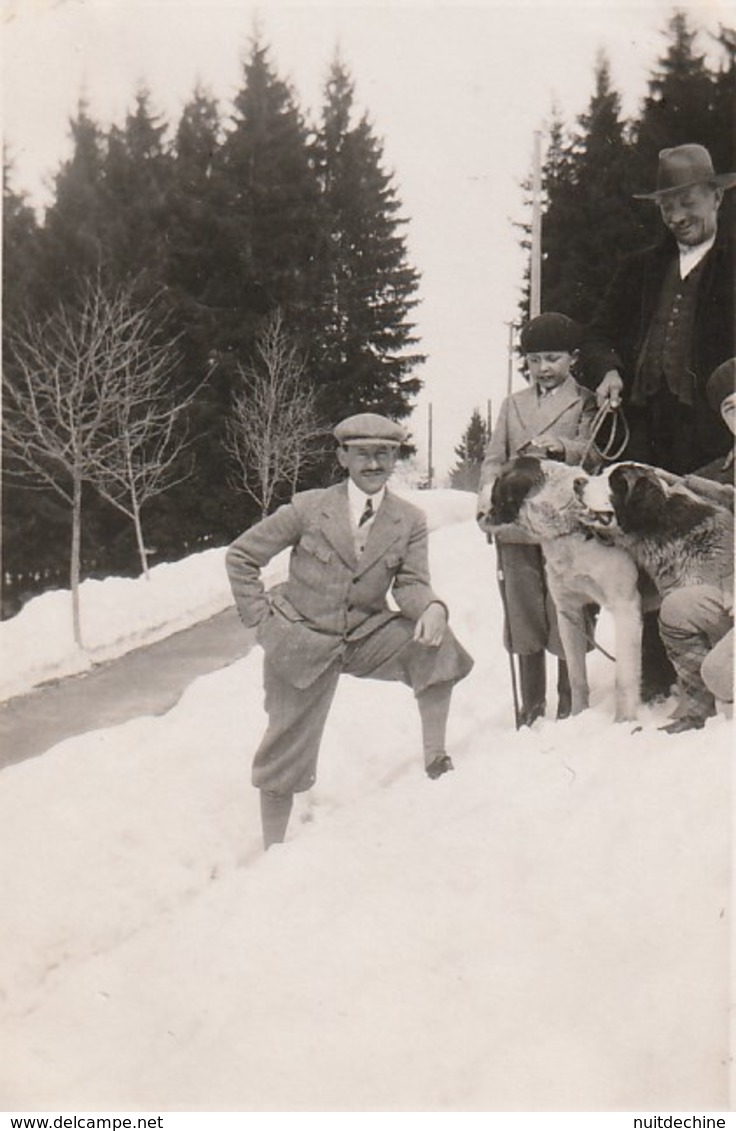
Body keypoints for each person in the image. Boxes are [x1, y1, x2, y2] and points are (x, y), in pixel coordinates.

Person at [226, 412, 474, 848]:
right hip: (301, 638)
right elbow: (242, 556)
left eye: (383, 454)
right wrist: (262, 621)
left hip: (364, 634)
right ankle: (273, 851)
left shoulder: (409, 519)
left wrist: (432, 607)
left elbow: (411, 583)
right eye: (362, 454)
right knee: (285, 745)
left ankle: (436, 759)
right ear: (343, 457)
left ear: (395, 458)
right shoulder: (308, 507)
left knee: (438, 645)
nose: (373, 464)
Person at [579, 143, 736, 701]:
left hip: (713, 437)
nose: (676, 218)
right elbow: (594, 337)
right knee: (641, 545)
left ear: (715, 196)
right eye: (666, 208)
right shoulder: (638, 269)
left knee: (705, 544)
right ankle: (652, 673)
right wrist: (609, 372)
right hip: (643, 434)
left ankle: (712, 663)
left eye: (687, 203)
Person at [476, 312, 598, 726]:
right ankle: (531, 705)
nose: (544, 368)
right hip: (515, 520)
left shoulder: (586, 400)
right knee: (522, 604)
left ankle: (569, 697)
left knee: (564, 602)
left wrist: (560, 447)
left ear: (573, 359)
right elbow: (494, 458)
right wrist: (485, 499)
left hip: (562, 520)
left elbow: (596, 453)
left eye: (553, 358)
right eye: (534, 360)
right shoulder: (512, 405)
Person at [657, 359, 735, 730]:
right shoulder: (724, 467)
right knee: (676, 608)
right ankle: (696, 708)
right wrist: (669, 481)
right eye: (731, 408)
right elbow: (705, 490)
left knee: (719, 673)